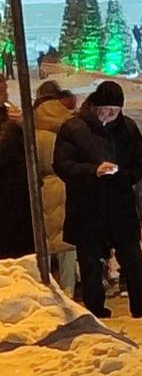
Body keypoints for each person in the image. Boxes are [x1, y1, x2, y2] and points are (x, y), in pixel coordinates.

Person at [53, 81, 142, 319]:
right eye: (105, 109)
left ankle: (141, 308)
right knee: (90, 263)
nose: (110, 115)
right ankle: (95, 310)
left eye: (115, 110)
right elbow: (62, 165)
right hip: (87, 206)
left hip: (120, 205)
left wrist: (125, 175)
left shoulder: (128, 128)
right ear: (95, 106)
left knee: (132, 259)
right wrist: (93, 170)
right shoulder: (73, 128)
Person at [33, 81, 76, 290]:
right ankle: (69, 289)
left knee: (44, 242)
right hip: (68, 185)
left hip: (41, 187)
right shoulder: (70, 125)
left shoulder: (31, 127)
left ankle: (47, 289)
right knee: (68, 243)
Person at [0, 80, 36, 260]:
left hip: (18, 196)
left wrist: (22, 124)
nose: (5, 93)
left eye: (5, 88)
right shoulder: (8, 125)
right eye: (1, 89)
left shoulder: (9, 118)